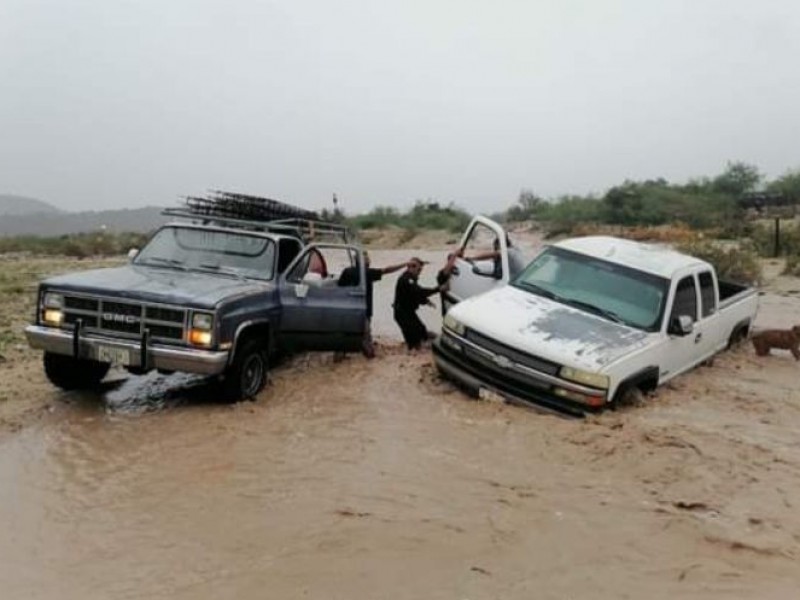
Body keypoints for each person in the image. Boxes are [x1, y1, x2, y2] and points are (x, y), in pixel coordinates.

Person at [338, 251, 409, 358]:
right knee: (366, 337)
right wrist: (405, 264)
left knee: (345, 334)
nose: (370, 260)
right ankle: (370, 357)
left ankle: (339, 356)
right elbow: (387, 270)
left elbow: (338, 288)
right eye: (368, 258)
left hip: (347, 309)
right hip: (363, 309)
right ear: (364, 261)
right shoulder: (367, 273)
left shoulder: (347, 272)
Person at [393, 257, 445, 350]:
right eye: (418, 269)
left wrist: (426, 301)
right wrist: (438, 289)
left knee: (421, 330)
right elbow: (419, 291)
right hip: (402, 313)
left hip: (407, 312)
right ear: (410, 267)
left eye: (421, 269)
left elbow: (413, 294)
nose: (420, 272)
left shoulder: (411, 279)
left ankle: (432, 340)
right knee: (415, 340)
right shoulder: (406, 279)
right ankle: (418, 347)